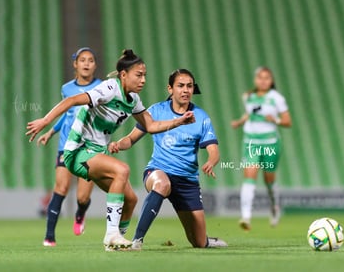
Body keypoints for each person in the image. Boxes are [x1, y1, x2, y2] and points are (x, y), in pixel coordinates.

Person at [26, 50, 195, 251]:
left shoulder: (133, 100)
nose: (143, 80)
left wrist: (178, 121)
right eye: (138, 75)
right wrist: (45, 121)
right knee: (122, 170)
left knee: (131, 200)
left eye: (145, 75)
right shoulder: (108, 88)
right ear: (123, 75)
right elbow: (71, 101)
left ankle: (116, 244)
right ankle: (111, 234)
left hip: (96, 153)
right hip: (77, 151)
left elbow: (150, 126)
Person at [109, 69, 227, 249]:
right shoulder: (155, 111)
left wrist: (211, 161)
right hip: (158, 171)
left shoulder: (201, 117)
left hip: (187, 181)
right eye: (180, 86)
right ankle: (137, 240)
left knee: (199, 242)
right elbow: (131, 139)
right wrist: (118, 144)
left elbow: (214, 150)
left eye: (189, 86)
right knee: (162, 184)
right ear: (170, 89)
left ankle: (206, 240)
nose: (186, 90)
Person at [36, 47, 101, 246]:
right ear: (75, 64)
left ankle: (80, 213)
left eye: (90, 60)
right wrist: (50, 131)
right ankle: (49, 236)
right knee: (61, 188)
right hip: (67, 145)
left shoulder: (103, 86)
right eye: (83, 60)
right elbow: (67, 113)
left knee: (82, 197)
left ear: (95, 65)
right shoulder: (67, 89)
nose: (87, 63)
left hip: (90, 147)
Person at [231, 67, 292, 231]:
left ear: (271, 81)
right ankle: (245, 216)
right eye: (260, 78)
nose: (263, 81)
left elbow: (288, 121)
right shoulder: (248, 96)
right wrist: (240, 121)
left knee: (268, 179)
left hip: (270, 142)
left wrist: (276, 120)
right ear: (255, 80)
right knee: (249, 176)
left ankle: (275, 207)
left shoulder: (277, 98)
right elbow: (249, 114)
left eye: (267, 78)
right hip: (251, 142)